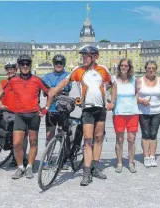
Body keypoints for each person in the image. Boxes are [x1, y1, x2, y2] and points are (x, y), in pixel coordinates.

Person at [46, 45, 112, 186]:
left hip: (101, 109)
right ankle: (87, 173)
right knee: (88, 140)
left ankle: (95, 167)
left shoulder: (103, 69)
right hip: (87, 110)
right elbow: (65, 82)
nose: (83, 59)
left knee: (98, 138)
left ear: (95, 57)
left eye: (86, 56)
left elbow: (112, 84)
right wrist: (53, 91)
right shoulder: (78, 70)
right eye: (82, 56)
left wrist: (111, 101)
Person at [0, 54, 50, 179]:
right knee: (16, 143)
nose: (25, 66)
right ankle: (20, 167)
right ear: (19, 66)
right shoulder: (13, 81)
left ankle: (30, 167)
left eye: (27, 64)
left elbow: (50, 92)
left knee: (33, 141)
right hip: (20, 116)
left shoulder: (37, 80)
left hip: (33, 115)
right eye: (22, 64)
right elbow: (2, 93)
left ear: (30, 66)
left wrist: (46, 108)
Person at [106, 58, 139, 173]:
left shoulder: (134, 80)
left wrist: (140, 101)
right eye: (122, 65)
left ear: (129, 67)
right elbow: (104, 89)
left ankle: (131, 163)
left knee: (131, 139)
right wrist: (109, 102)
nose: (123, 67)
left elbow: (137, 94)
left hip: (132, 113)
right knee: (120, 139)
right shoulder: (114, 79)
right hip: (119, 112)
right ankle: (119, 162)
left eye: (126, 65)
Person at [136, 61, 160, 168]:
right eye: (149, 68)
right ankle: (146, 157)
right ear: (145, 69)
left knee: (154, 134)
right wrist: (141, 101)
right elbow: (134, 95)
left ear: (156, 69)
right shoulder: (139, 80)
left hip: (157, 111)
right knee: (146, 134)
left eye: (153, 68)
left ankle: (152, 156)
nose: (151, 70)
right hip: (143, 111)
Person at [0, 61, 28, 167]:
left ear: (16, 70)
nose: (9, 71)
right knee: (12, 138)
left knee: (23, 137)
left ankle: (23, 157)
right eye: (7, 69)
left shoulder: (21, 81)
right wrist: (0, 104)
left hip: (19, 113)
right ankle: (16, 157)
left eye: (11, 69)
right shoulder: (2, 82)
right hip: (7, 114)